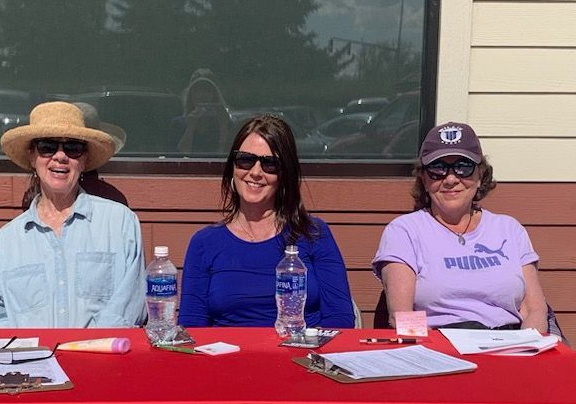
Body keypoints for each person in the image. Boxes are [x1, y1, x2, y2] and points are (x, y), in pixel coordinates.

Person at [0, 101, 144, 328]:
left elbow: (131, 307)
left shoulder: (121, 224)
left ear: (84, 160)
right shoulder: (5, 243)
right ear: (32, 157)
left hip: (102, 359)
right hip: (29, 363)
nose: (60, 156)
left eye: (73, 148)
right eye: (47, 146)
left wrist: (86, 351)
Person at [178, 113, 356, 328]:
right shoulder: (205, 243)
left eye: (269, 164)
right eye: (245, 160)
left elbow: (340, 318)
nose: (255, 172)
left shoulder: (313, 233)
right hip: (227, 358)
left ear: (285, 174)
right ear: (232, 167)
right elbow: (193, 325)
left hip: (301, 355)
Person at [373, 121, 550, 332]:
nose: (450, 179)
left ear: (480, 176)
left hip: (509, 344)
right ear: (424, 179)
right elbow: (402, 317)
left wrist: (527, 349)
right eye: (437, 169)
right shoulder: (404, 231)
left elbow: (534, 310)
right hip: (439, 347)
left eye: (463, 168)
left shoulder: (509, 229)